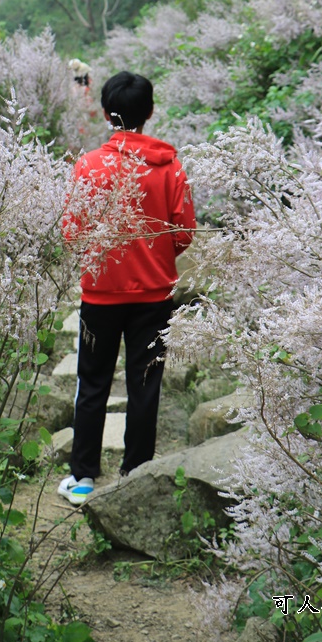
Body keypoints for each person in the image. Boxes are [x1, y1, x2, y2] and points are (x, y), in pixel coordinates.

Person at [58, 71, 196, 506]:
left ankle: (82, 478)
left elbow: (70, 231)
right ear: (150, 111)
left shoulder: (88, 166)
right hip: (154, 296)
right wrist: (155, 252)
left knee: (92, 383)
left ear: (105, 112)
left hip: (100, 295)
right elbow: (184, 232)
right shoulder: (170, 167)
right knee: (145, 384)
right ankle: (136, 474)